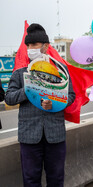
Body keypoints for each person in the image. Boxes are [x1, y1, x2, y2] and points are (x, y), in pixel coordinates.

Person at [5, 23, 76, 186]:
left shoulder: (60, 70)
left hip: (55, 135)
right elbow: (9, 98)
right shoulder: (19, 73)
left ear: (45, 46)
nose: (31, 49)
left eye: (35, 45)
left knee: (56, 178)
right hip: (29, 136)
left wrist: (55, 103)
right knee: (30, 179)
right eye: (28, 45)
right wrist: (29, 89)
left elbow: (70, 96)